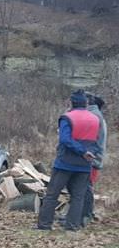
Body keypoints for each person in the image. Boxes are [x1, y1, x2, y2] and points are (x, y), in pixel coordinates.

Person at [37, 90, 100, 231]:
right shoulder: (95, 119)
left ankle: (44, 225)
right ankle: (72, 226)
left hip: (65, 163)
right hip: (84, 165)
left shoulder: (67, 117)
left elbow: (65, 139)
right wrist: (90, 153)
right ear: (86, 103)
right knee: (78, 197)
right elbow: (95, 142)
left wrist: (82, 151)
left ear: (71, 102)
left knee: (52, 194)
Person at [82, 92, 107, 225]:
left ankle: (86, 215)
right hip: (94, 159)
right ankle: (84, 213)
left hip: (92, 160)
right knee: (85, 187)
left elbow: (93, 141)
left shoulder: (94, 117)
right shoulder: (98, 116)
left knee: (86, 188)